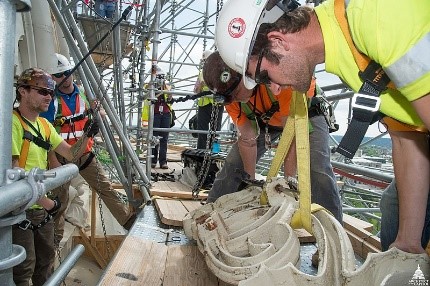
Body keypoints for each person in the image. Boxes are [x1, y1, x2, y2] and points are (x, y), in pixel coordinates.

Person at [215, 0, 430, 254]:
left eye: (264, 76)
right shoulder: (348, 57)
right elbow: (406, 139)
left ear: (277, 41)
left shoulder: (373, 13)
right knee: (394, 209)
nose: (272, 88)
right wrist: (408, 243)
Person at [203, 51, 342, 223]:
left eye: (236, 93)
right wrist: (250, 181)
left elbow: (291, 134)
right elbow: (247, 139)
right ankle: (208, 213)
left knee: (318, 170)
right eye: (230, 97)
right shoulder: (231, 98)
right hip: (266, 117)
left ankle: (332, 229)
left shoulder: (279, 75)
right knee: (233, 165)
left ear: (246, 76)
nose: (235, 99)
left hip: (305, 114)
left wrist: (288, 182)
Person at [12, 67, 98, 286]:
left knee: (46, 263)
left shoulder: (43, 125)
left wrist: (87, 134)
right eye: (42, 91)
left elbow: (70, 153)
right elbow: (14, 174)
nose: (49, 96)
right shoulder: (12, 124)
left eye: (51, 92)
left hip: (39, 209)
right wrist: (49, 203)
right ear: (23, 91)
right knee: (23, 269)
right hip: (19, 211)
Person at [41, 53, 136, 243]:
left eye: (68, 72)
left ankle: (129, 223)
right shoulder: (51, 101)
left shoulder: (84, 94)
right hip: (61, 158)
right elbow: (46, 134)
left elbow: (101, 113)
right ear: (52, 78)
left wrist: (99, 113)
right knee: (60, 200)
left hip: (83, 154)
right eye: (60, 75)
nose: (65, 78)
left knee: (105, 187)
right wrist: (52, 161)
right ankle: (55, 241)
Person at [142, 66, 174, 169]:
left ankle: (163, 162)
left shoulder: (167, 85)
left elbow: (170, 99)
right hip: (155, 114)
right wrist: (153, 84)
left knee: (164, 139)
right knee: (154, 138)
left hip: (165, 114)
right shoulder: (149, 85)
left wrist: (167, 90)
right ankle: (153, 160)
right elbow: (146, 94)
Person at [194, 50, 224, 149]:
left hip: (217, 104)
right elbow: (196, 91)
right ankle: (201, 153)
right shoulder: (201, 73)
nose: (205, 63)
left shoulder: (220, 71)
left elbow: (222, 86)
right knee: (202, 131)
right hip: (204, 104)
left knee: (216, 131)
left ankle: (215, 152)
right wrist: (200, 86)